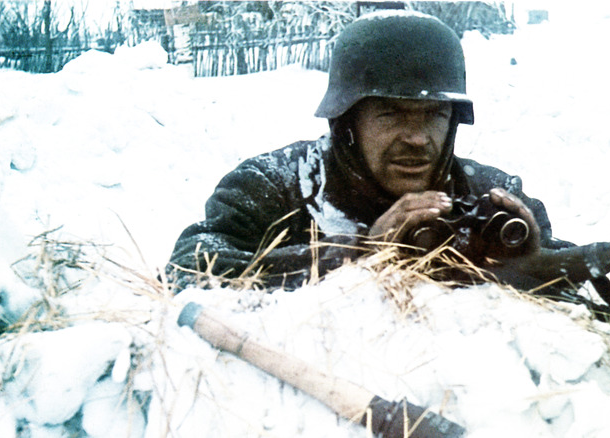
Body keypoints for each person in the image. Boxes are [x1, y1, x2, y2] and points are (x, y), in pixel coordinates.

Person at [167, 11, 557, 291]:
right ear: (347, 123)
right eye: (391, 114)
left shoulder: (490, 194)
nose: (418, 138)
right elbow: (189, 267)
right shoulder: (275, 185)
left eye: (434, 115)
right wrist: (358, 255)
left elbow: (590, 298)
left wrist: (536, 266)